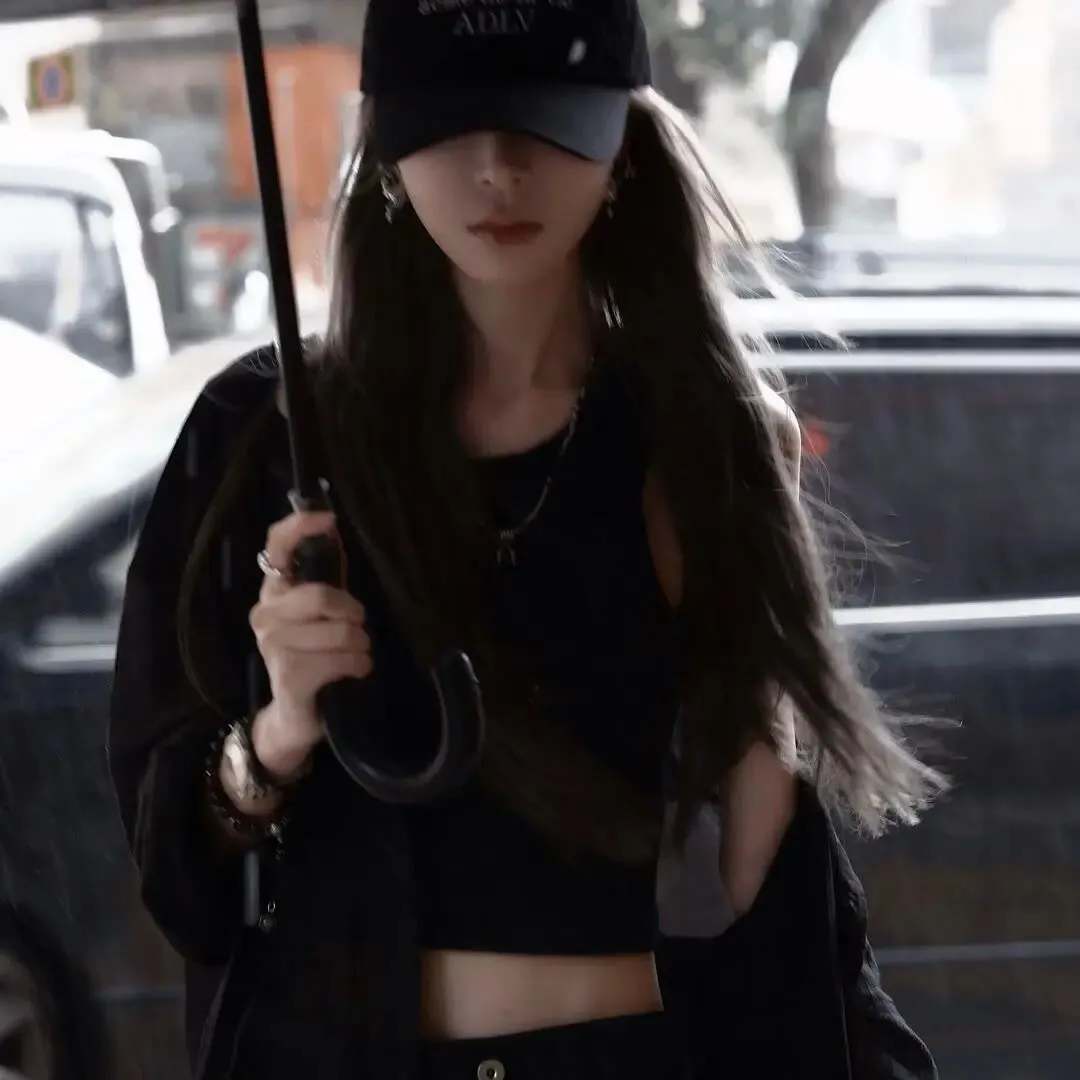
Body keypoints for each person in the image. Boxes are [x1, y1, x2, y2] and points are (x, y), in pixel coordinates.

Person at [108, 1, 944, 1078]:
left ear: (622, 145)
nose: (499, 168)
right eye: (451, 123)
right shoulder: (264, 440)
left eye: (544, 121)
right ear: (387, 147)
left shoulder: (700, 440)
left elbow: (756, 867)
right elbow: (178, 885)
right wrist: (275, 734)